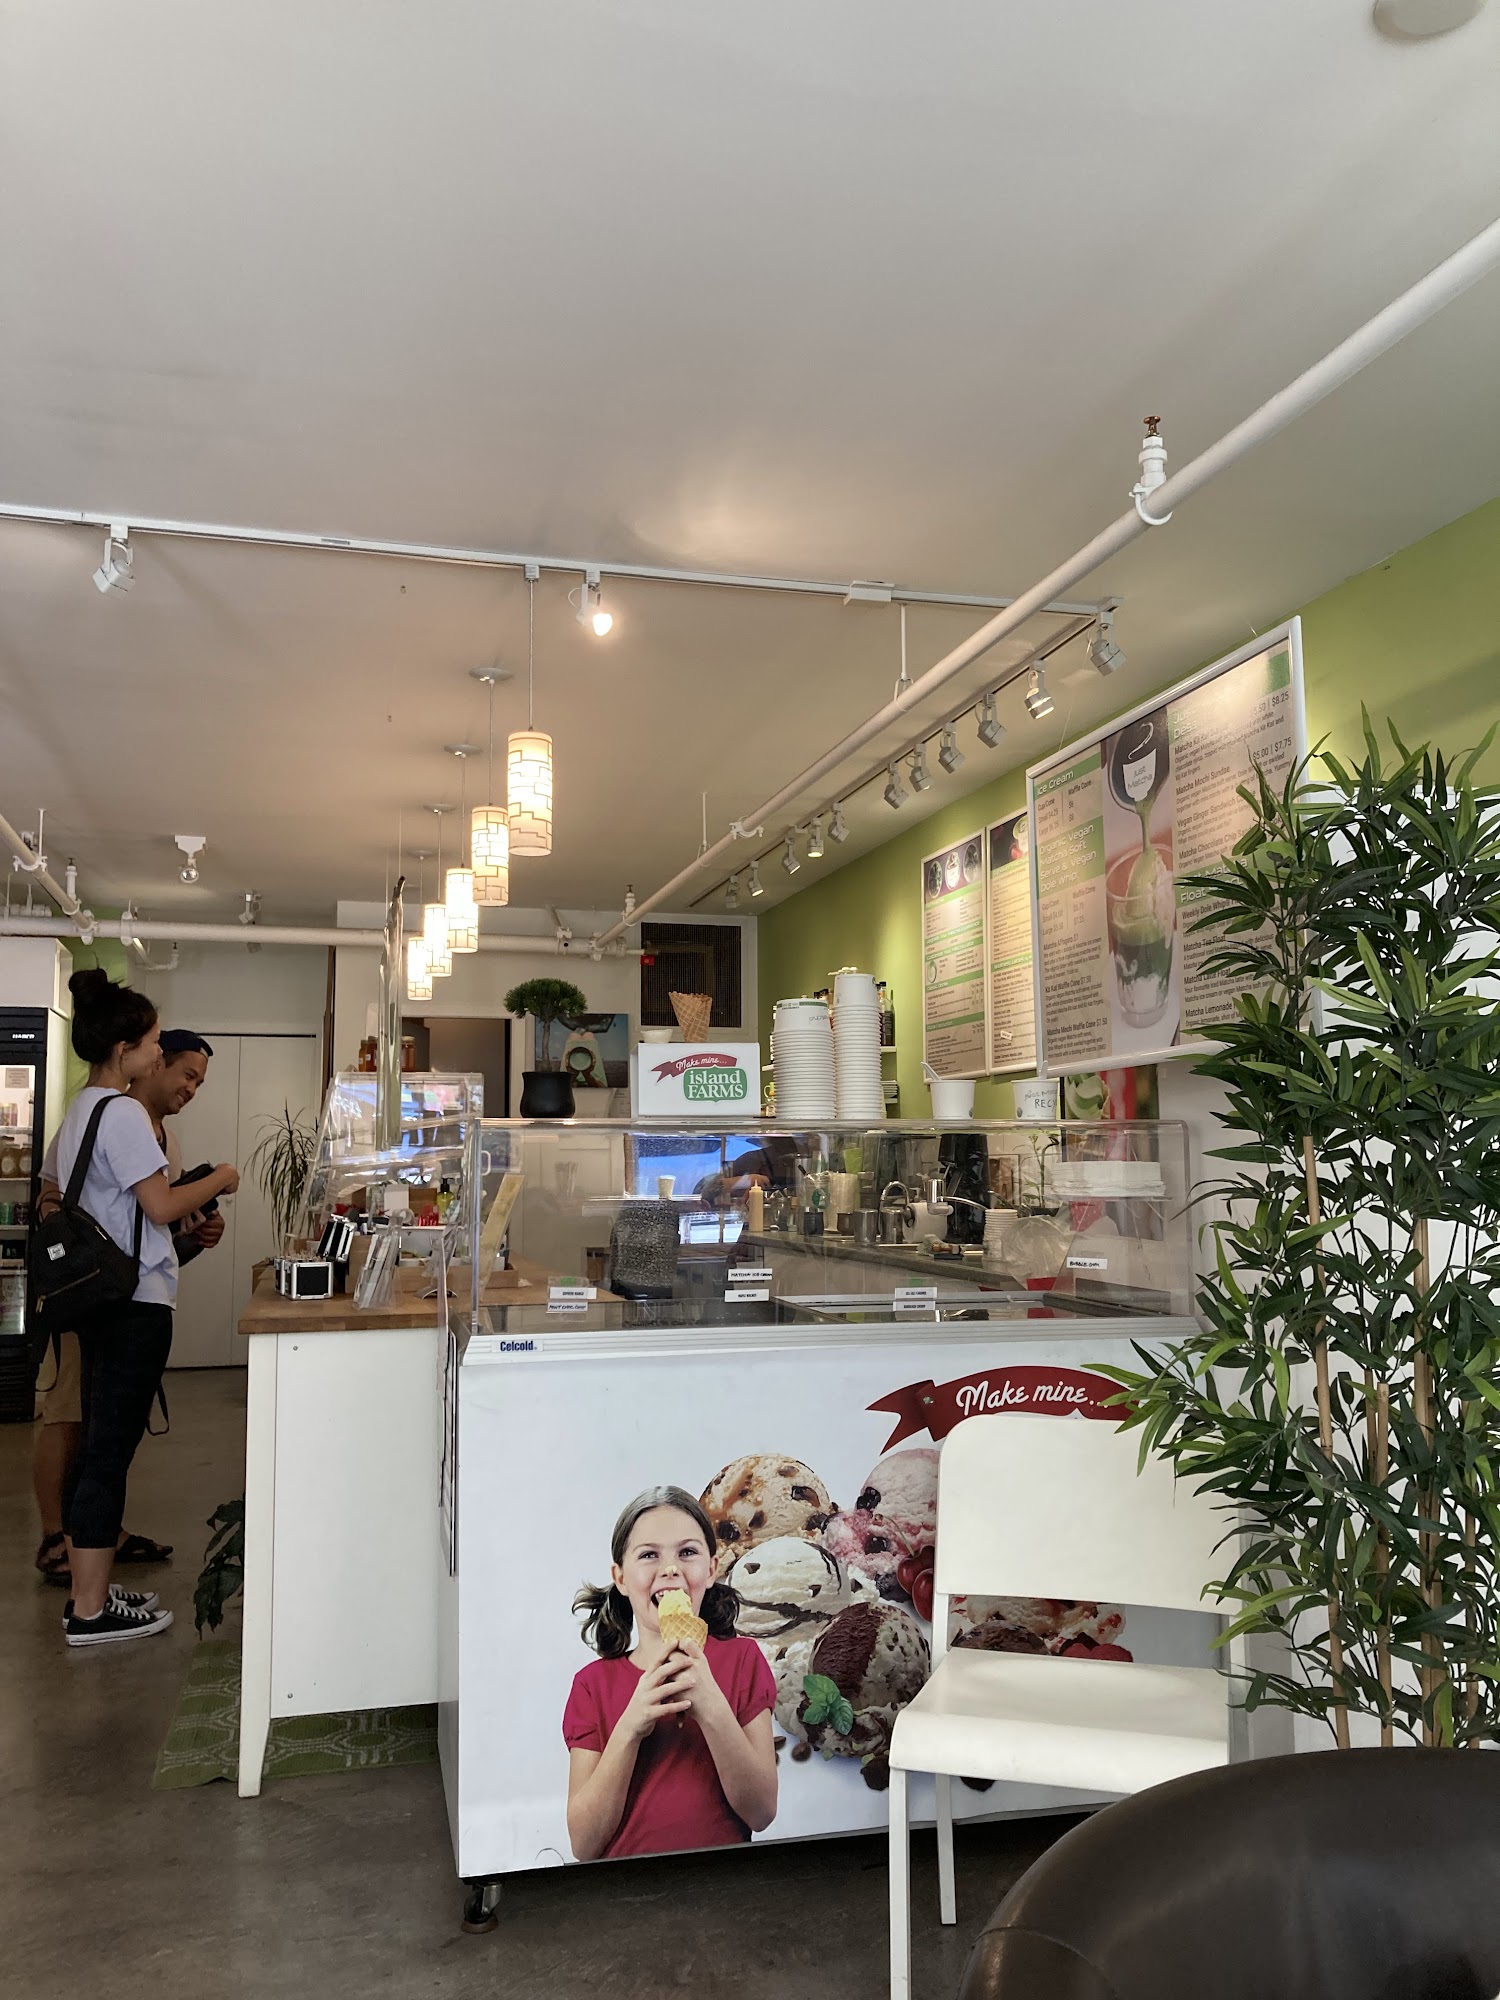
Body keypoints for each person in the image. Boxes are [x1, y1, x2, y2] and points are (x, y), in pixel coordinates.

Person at [48, 970, 239, 1647]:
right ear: (124, 1048)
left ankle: (89, 1589)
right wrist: (221, 1179)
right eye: (155, 1043)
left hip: (100, 1302)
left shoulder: (82, 1111)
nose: (159, 1054)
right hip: (133, 1305)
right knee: (108, 1455)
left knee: (96, 1449)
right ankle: (90, 1610)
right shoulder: (124, 1113)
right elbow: (159, 1206)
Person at [564, 1485, 777, 1861]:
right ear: (621, 1578)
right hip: (622, 1886)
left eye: (687, 1552)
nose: (670, 1568)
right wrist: (630, 1727)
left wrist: (711, 1705)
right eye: (649, 1555)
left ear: (711, 1569)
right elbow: (583, 1845)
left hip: (727, 1881)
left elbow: (761, 1813)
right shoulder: (592, 1685)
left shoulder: (743, 1660)